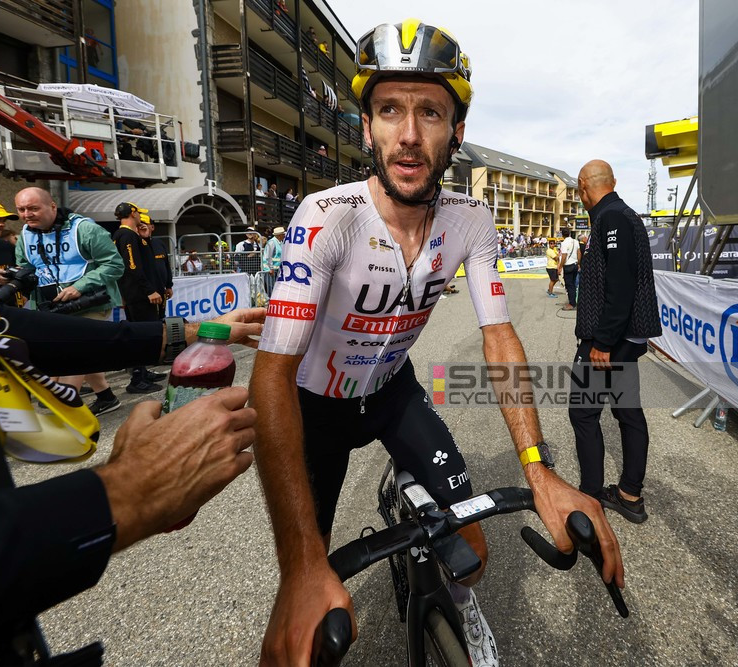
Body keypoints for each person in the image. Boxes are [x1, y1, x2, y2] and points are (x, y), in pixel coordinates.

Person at [249, 20, 623, 667]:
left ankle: (454, 591)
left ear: (457, 132)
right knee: (301, 632)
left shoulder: (471, 220)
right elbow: (271, 374)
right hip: (319, 414)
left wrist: (538, 469)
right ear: (366, 127)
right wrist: (301, 564)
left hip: (394, 394)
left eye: (431, 111)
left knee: (472, 558)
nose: (410, 135)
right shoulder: (326, 217)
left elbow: (499, 333)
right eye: (390, 109)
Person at [0, 60, 263, 665]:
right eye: (16, 213)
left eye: (30, 211)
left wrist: (195, 330)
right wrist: (123, 496)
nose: (22, 219)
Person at [571, 159, 663, 524]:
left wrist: (603, 341)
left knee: (583, 413)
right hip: (624, 336)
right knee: (627, 412)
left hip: (609, 339)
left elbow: (620, 285)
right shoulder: (621, 215)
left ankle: (591, 496)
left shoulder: (612, 218)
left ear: (583, 187)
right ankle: (629, 494)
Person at [6, 187, 124, 416]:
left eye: (33, 208)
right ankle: (106, 397)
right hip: (52, 305)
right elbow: (26, 268)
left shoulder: (86, 229)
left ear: (52, 206)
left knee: (76, 352)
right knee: (84, 354)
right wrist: (11, 276)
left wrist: (79, 287)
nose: (26, 214)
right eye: (21, 209)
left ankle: (65, 411)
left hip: (92, 302)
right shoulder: (26, 235)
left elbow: (114, 265)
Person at [113, 201, 165, 394]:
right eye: (138, 214)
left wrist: (145, 239)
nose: (140, 218)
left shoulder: (132, 235)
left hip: (137, 293)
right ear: (133, 213)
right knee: (142, 334)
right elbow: (132, 266)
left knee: (146, 333)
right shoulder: (126, 235)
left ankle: (142, 372)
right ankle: (137, 378)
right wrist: (148, 290)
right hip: (139, 295)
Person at [140, 216, 174, 318]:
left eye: (145, 223)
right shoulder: (135, 244)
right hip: (144, 291)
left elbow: (166, 265)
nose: (143, 226)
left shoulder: (159, 243)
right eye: (140, 224)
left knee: (161, 318)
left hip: (161, 289)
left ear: (152, 227)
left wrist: (169, 286)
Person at [558, 228, 581, 310]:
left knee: (569, 285)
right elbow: (579, 253)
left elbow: (564, 256)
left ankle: (572, 303)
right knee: (573, 285)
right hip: (575, 264)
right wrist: (578, 263)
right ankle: (574, 301)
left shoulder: (564, 243)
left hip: (568, 266)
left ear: (562, 234)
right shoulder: (576, 241)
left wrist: (560, 267)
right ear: (570, 233)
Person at [260, 225, 284, 297]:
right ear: (279, 235)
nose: (284, 235)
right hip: (270, 270)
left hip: (277, 269)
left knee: (275, 287)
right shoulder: (272, 242)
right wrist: (271, 268)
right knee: (271, 288)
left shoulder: (280, 242)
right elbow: (268, 257)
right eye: (283, 234)